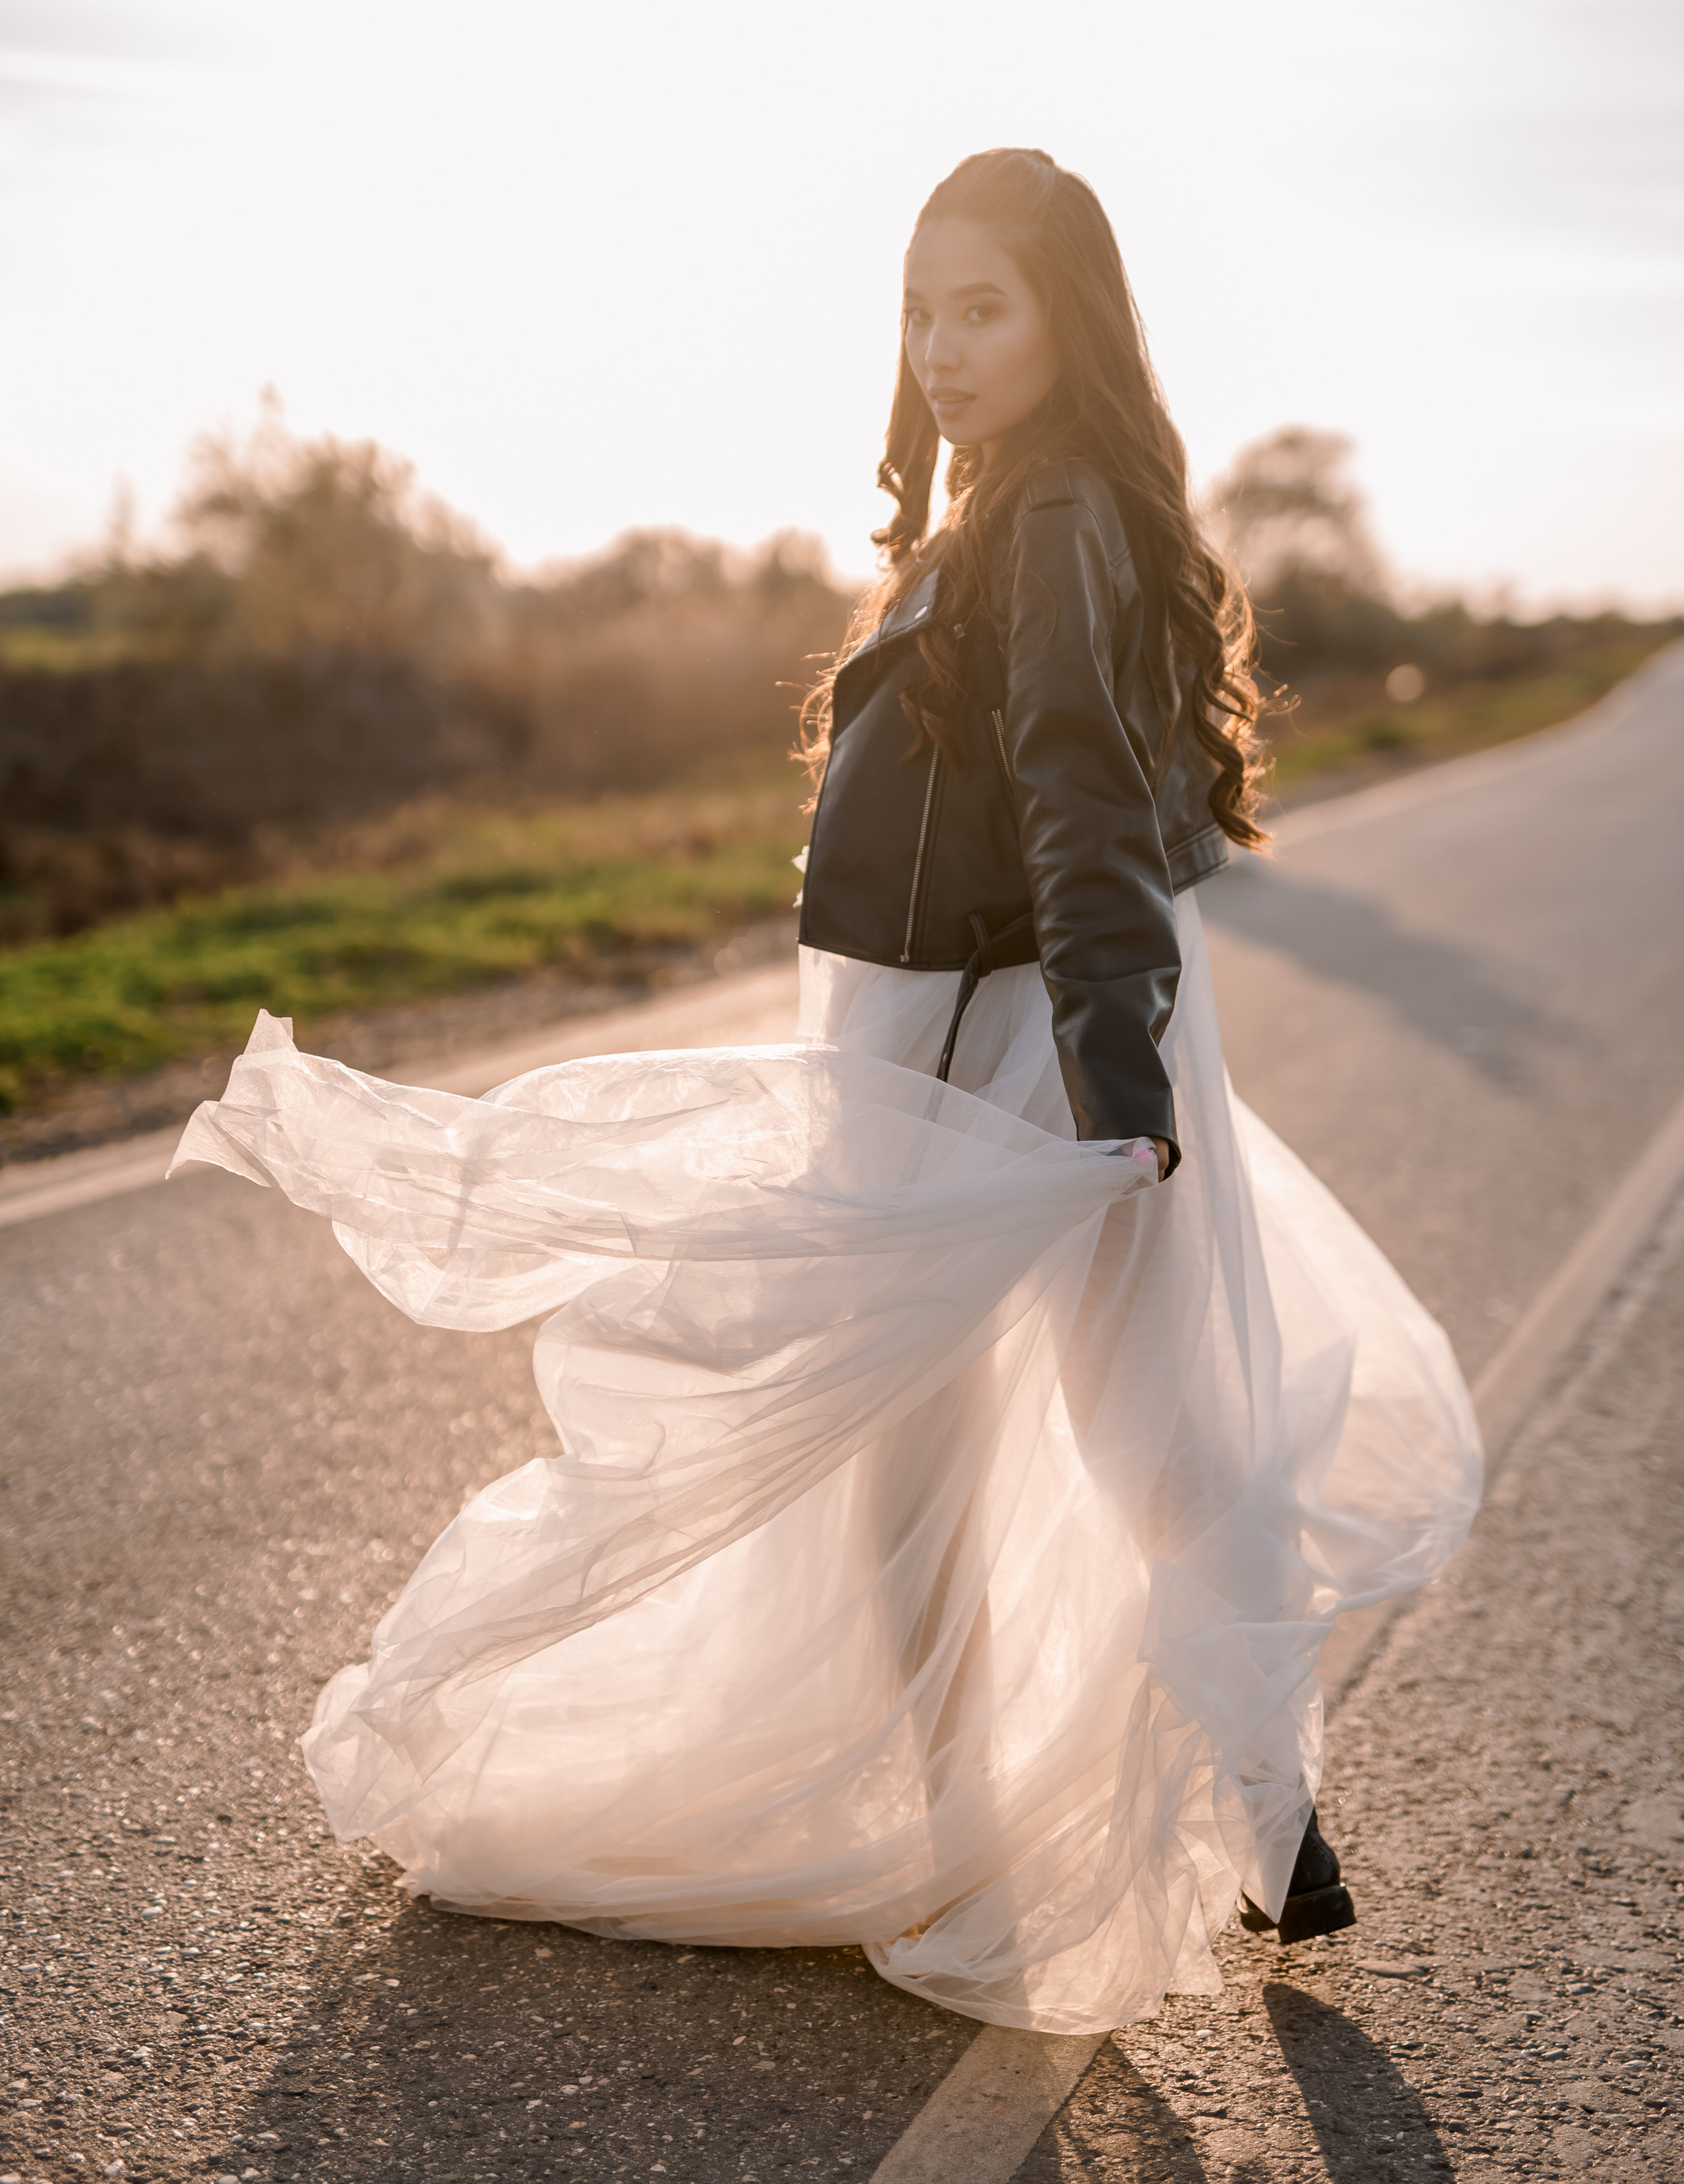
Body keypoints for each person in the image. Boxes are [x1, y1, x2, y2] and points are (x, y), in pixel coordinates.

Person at [172, 147, 1482, 2036]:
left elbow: (1084, 810)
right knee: (1150, 1418)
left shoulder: (1050, 521)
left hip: (993, 1035)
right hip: (1025, 1021)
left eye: (985, 309)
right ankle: (1263, 1825)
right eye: (920, 308)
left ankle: (1001, 1826)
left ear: (1069, 318)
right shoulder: (1032, 506)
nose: (942, 348)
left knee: (925, 1449)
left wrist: (1113, 1086)